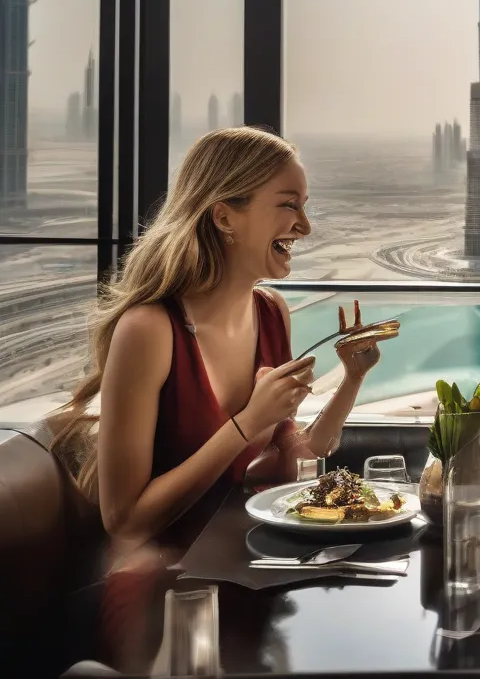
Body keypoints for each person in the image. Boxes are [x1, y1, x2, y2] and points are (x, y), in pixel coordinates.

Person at [47, 127, 383, 666]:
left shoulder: (271, 312)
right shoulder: (150, 330)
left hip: (250, 568)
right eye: (288, 205)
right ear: (224, 216)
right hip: (163, 586)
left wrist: (352, 379)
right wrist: (247, 424)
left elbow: (294, 454)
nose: (305, 225)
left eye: (305, 206)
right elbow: (126, 520)